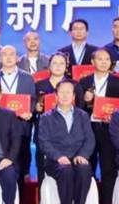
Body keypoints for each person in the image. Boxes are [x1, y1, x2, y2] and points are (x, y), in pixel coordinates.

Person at [37, 79, 95, 204]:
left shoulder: (82, 115)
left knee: (84, 169)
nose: (65, 95)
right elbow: (43, 142)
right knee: (66, 170)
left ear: (74, 96)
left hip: (78, 157)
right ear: (56, 96)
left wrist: (83, 155)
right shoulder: (46, 117)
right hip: (55, 160)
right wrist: (58, 157)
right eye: (61, 92)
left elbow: (90, 139)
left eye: (68, 92)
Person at [78, 48, 119, 204]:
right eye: (100, 59)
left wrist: (114, 117)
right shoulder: (84, 82)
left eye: (107, 59)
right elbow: (78, 108)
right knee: (87, 166)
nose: (104, 62)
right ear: (92, 62)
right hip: (88, 129)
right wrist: (85, 101)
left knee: (108, 167)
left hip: (109, 129)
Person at [0, 45, 35, 204]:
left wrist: (29, 112)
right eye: (4, 54)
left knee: (19, 165)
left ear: (17, 58)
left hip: (21, 126)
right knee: (1, 164)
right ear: (0, 58)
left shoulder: (28, 78)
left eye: (12, 54)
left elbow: (32, 101)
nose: (8, 57)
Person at [34, 52, 85, 186]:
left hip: (70, 134)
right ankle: (44, 196)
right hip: (45, 133)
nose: (58, 66)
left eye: (61, 63)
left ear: (66, 66)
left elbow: (81, 109)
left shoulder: (75, 85)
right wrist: (36, 108)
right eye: (54, 63)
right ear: (49, 66)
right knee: (42, 165)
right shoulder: (39, 85)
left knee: (69, 169)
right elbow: (32, 109)